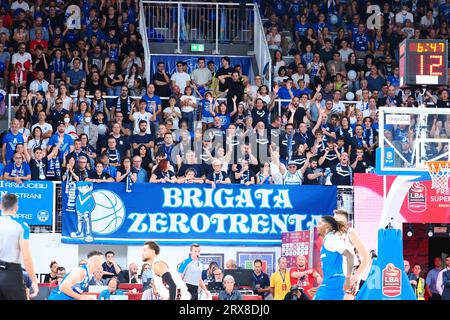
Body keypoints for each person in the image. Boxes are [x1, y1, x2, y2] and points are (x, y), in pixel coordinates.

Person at [0, 194, 39, 300]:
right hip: (11, 274)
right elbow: (26, 256)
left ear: (0, 206)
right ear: (16, 208)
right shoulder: (21, 226)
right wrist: (34, 281)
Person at [314, 216, 354, 300]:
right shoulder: (327, 241)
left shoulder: (332, 239)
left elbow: (350, 256)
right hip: (330, 282)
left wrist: (348, 278)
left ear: (327, 226)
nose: (317, 226)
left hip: (335, 281)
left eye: (320, 223)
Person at [334, 209, 370, 300]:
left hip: (353, 270)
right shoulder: (334, 236)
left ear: (345, 223)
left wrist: (356, 276)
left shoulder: (351, 234)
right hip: (341, 272)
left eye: (340, 222)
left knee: (347, 298)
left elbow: (366, 256)